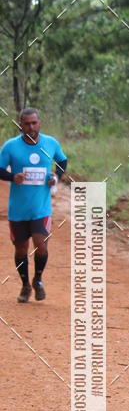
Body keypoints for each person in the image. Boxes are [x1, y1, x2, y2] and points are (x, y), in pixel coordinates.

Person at [0, 107, 67, 302]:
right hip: (18, 210)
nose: (31, 127)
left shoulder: (50, 143)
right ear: (20, 125)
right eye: (27, 124)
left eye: (34, 123)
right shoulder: (11, 146)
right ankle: (25, 286)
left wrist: (56, 177)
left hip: (41, 208)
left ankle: (38, 280)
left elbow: (62, 160)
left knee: (41, 246)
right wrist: (13, 177)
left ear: (39, 123)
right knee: (21, 249)